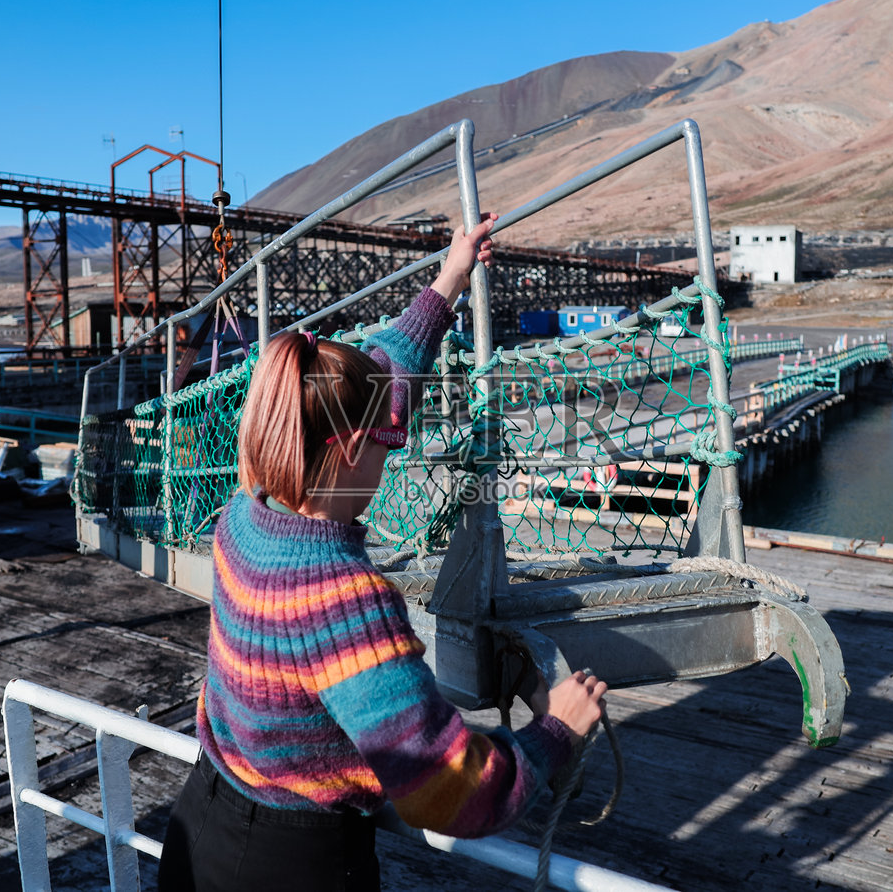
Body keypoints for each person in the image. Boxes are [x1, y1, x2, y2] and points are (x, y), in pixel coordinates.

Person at [158, 216, 607, 892]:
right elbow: (449, 790)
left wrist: (450, 278)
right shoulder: (344, 602)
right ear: (344, 450)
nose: (394, 450)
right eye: (387, 443)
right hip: (295, 869)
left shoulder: (243, 514)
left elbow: (383, 375)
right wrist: (555, 733)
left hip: (202, 826)